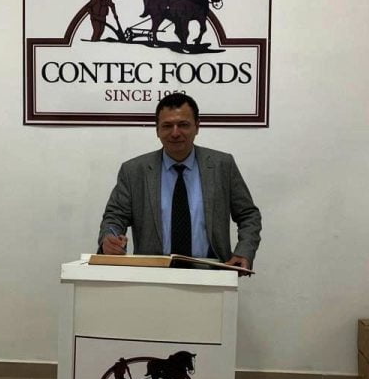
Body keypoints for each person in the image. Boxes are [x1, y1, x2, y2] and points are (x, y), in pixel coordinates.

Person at [98, 93, 261, 270]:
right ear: (157, 130)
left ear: (197, 127)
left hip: (211, 273)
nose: (175, 133)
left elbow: (248, 214)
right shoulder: (134, 171)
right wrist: (110, 238)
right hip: (152, 273)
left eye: (183, 125)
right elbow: (115, 216)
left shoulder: (222, 165)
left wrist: (244, 251)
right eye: (167, 126)